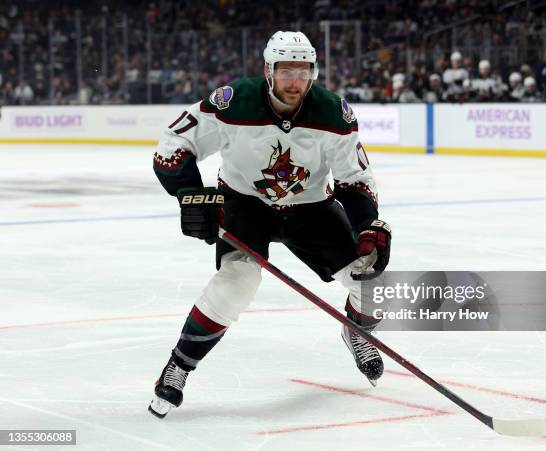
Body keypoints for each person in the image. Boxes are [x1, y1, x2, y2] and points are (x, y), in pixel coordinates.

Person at [148, 31, 392, 418]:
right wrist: (190, 194)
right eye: (286, 71)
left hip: (310, 208)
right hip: (247, 206)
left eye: (303, 71)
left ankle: (356, 333)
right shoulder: (232, 103)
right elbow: (173, 146)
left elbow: (355, 179)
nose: (295, 81)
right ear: (268, 70)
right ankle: (179, 365)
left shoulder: (333, 113)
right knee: (236, 283)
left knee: (375, 283)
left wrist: (367, 224)